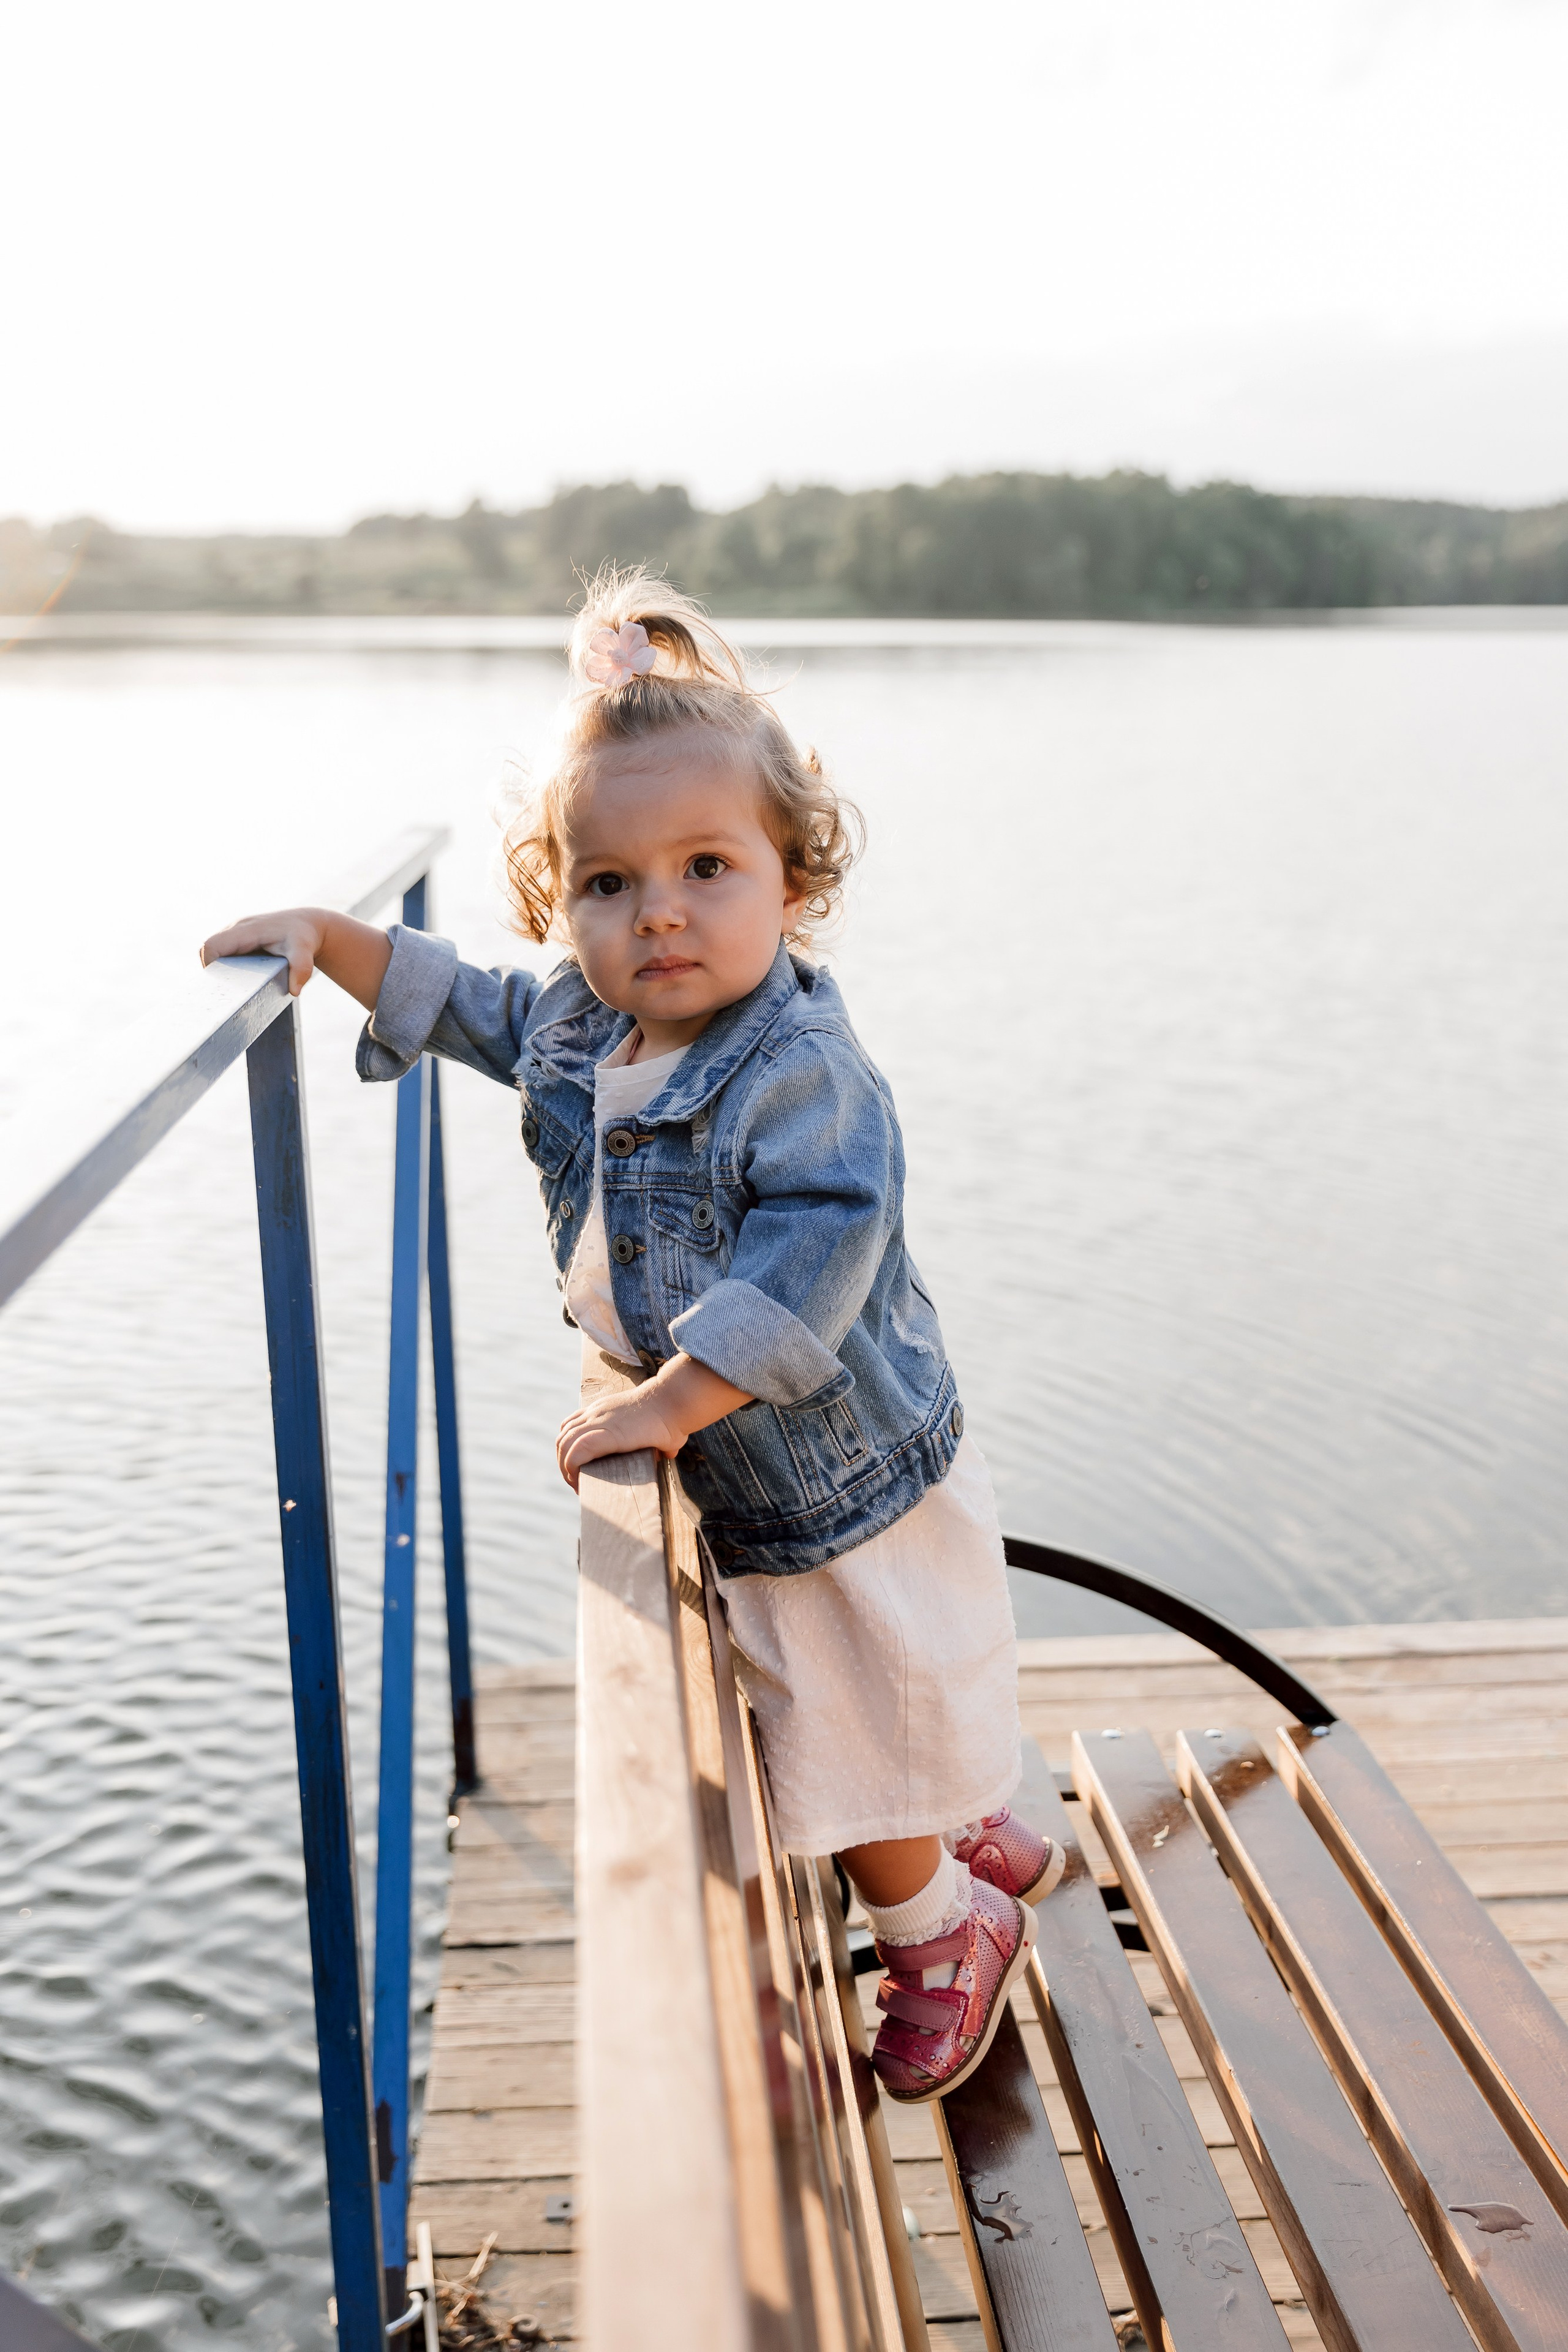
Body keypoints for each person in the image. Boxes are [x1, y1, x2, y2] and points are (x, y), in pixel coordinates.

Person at [202, 571, 1063, 2102]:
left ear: (792, 884)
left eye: (706, 867)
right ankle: (963, 1815)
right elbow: (466, 1005)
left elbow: (811, 1257)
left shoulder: (797, 1067)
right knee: (895, 1680)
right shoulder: (583, 1022)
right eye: (608, 882)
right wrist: (332, 939)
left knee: (860, 1704)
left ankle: (942, 1925)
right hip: (743, 1462)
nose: (657, 909)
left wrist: (671, 1398)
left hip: (828, 1469)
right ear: (561, 900)